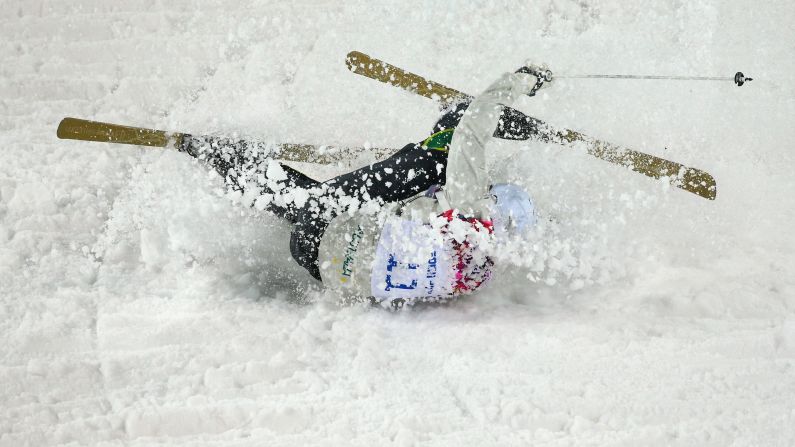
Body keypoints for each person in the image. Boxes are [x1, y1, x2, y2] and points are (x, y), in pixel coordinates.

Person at [180, 64, 549, 308]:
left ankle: (219, 156)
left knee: (441, 157)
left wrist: (520, 81)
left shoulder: (471, 210)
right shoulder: (479, 273)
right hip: (326, 269)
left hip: (328, 229)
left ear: (494, 202)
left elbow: (474, 129)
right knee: (312, 208)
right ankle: (240, 168)